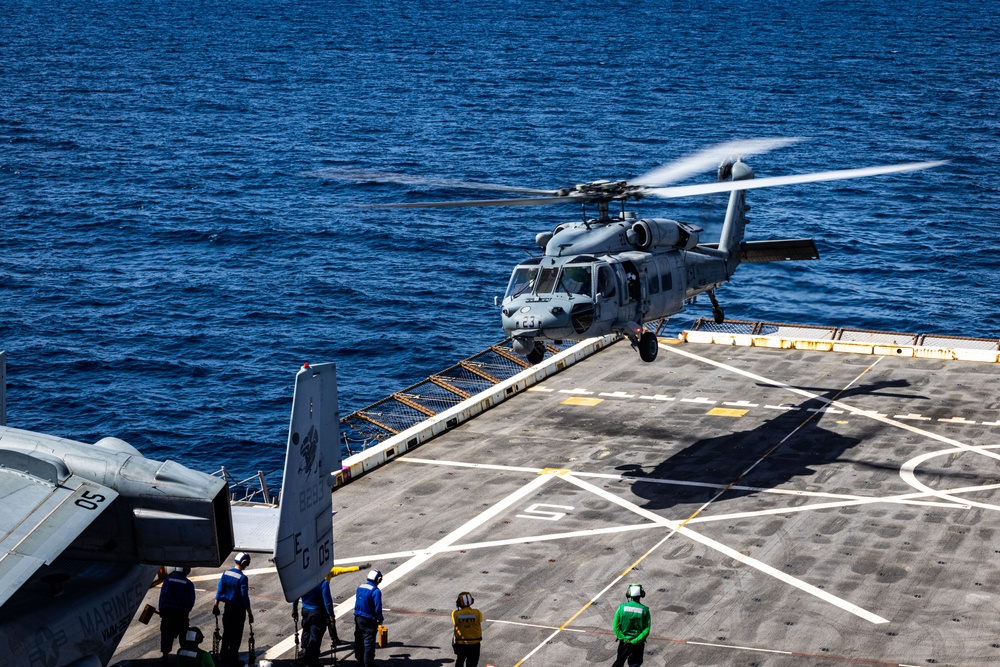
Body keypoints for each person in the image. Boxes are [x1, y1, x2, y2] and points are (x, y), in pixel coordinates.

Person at [213, 552, 254, 667]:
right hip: (238, 612)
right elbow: (244, 597)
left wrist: (216, 605)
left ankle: (223, 657)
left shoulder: (225, 573)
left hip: (228, 609)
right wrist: (250, 613)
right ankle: (233, 661)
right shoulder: (242, 578)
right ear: (244, 563)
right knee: (236, 637)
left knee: (226, 633)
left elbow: (219, 591)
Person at [293, 578, 334, 667]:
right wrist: (331, 615)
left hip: (305, 611)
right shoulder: (323, 583)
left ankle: (303, 654)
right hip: (318, 613)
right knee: (315, 636)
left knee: (306, 631)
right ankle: (313, 661)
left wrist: (294, 609)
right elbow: (327, 602)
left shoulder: (303, 580)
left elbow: (295, 596)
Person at [159, 566, 196, 663]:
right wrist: (187, 610)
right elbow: (191, 600)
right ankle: (184, 656)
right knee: (183, 636)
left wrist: (162, 610)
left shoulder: (167, 580)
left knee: (166, 635)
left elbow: (162, 596)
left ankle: (165, 657)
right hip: (181, 613)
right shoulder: (188, 584)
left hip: (167, 612)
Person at [610, 584, 651, 667]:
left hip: (624, 644)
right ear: (641, 594)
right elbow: (646, 629)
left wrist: (625, 640)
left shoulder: (621, 608)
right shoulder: (645, 610)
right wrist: (634, 641)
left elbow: (616, 627)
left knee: (619, 663)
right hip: (638, 645)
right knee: (635, 664)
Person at [354, 569, 384, 667]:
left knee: (359, 639)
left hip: (358, 617)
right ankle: (368, 663)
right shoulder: (376, 591)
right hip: (368, 620)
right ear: (378, 579)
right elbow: (377, 608)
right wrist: (380, 619)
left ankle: (359, 660)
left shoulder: (360, 587)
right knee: (368, 642)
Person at [451, 592, 483, 667]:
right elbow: (480, 620)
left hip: (461, 644)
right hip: (475, 644)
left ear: (459, 603)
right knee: (472, 663)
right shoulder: (477, 613)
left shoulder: (455, 614)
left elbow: (455, 622)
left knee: (460, 661)